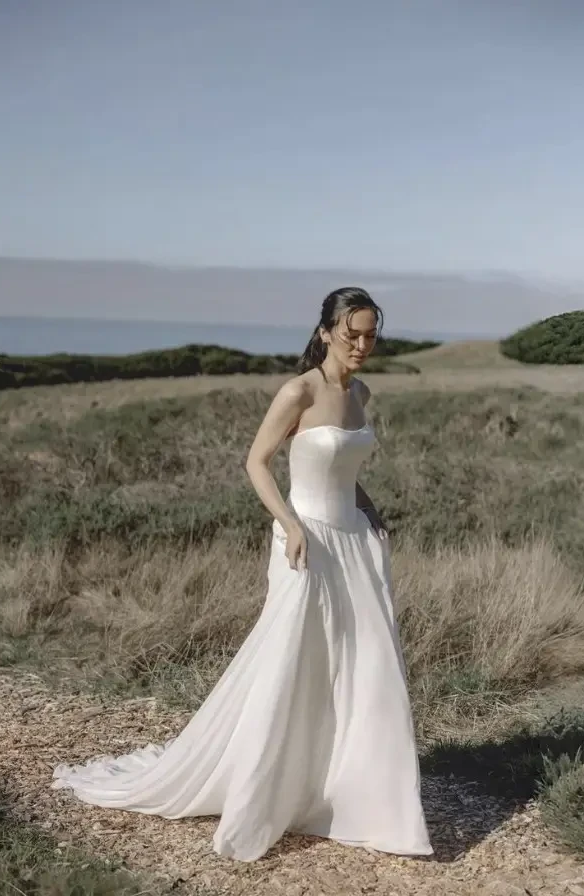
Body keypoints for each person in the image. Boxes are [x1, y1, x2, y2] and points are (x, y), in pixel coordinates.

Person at [51, 287, 433, 862]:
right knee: (289, 658)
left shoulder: (362, 393)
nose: (361, 344)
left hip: (353, 541)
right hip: (303, 540)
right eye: (351, 332)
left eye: (370, 334)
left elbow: (343, 469)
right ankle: (264, 788)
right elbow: (257, 462)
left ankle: (354, 794)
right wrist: (292, 524)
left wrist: (371, 512)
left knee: (365, 663)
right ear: (326, 331)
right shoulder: (297, 391)